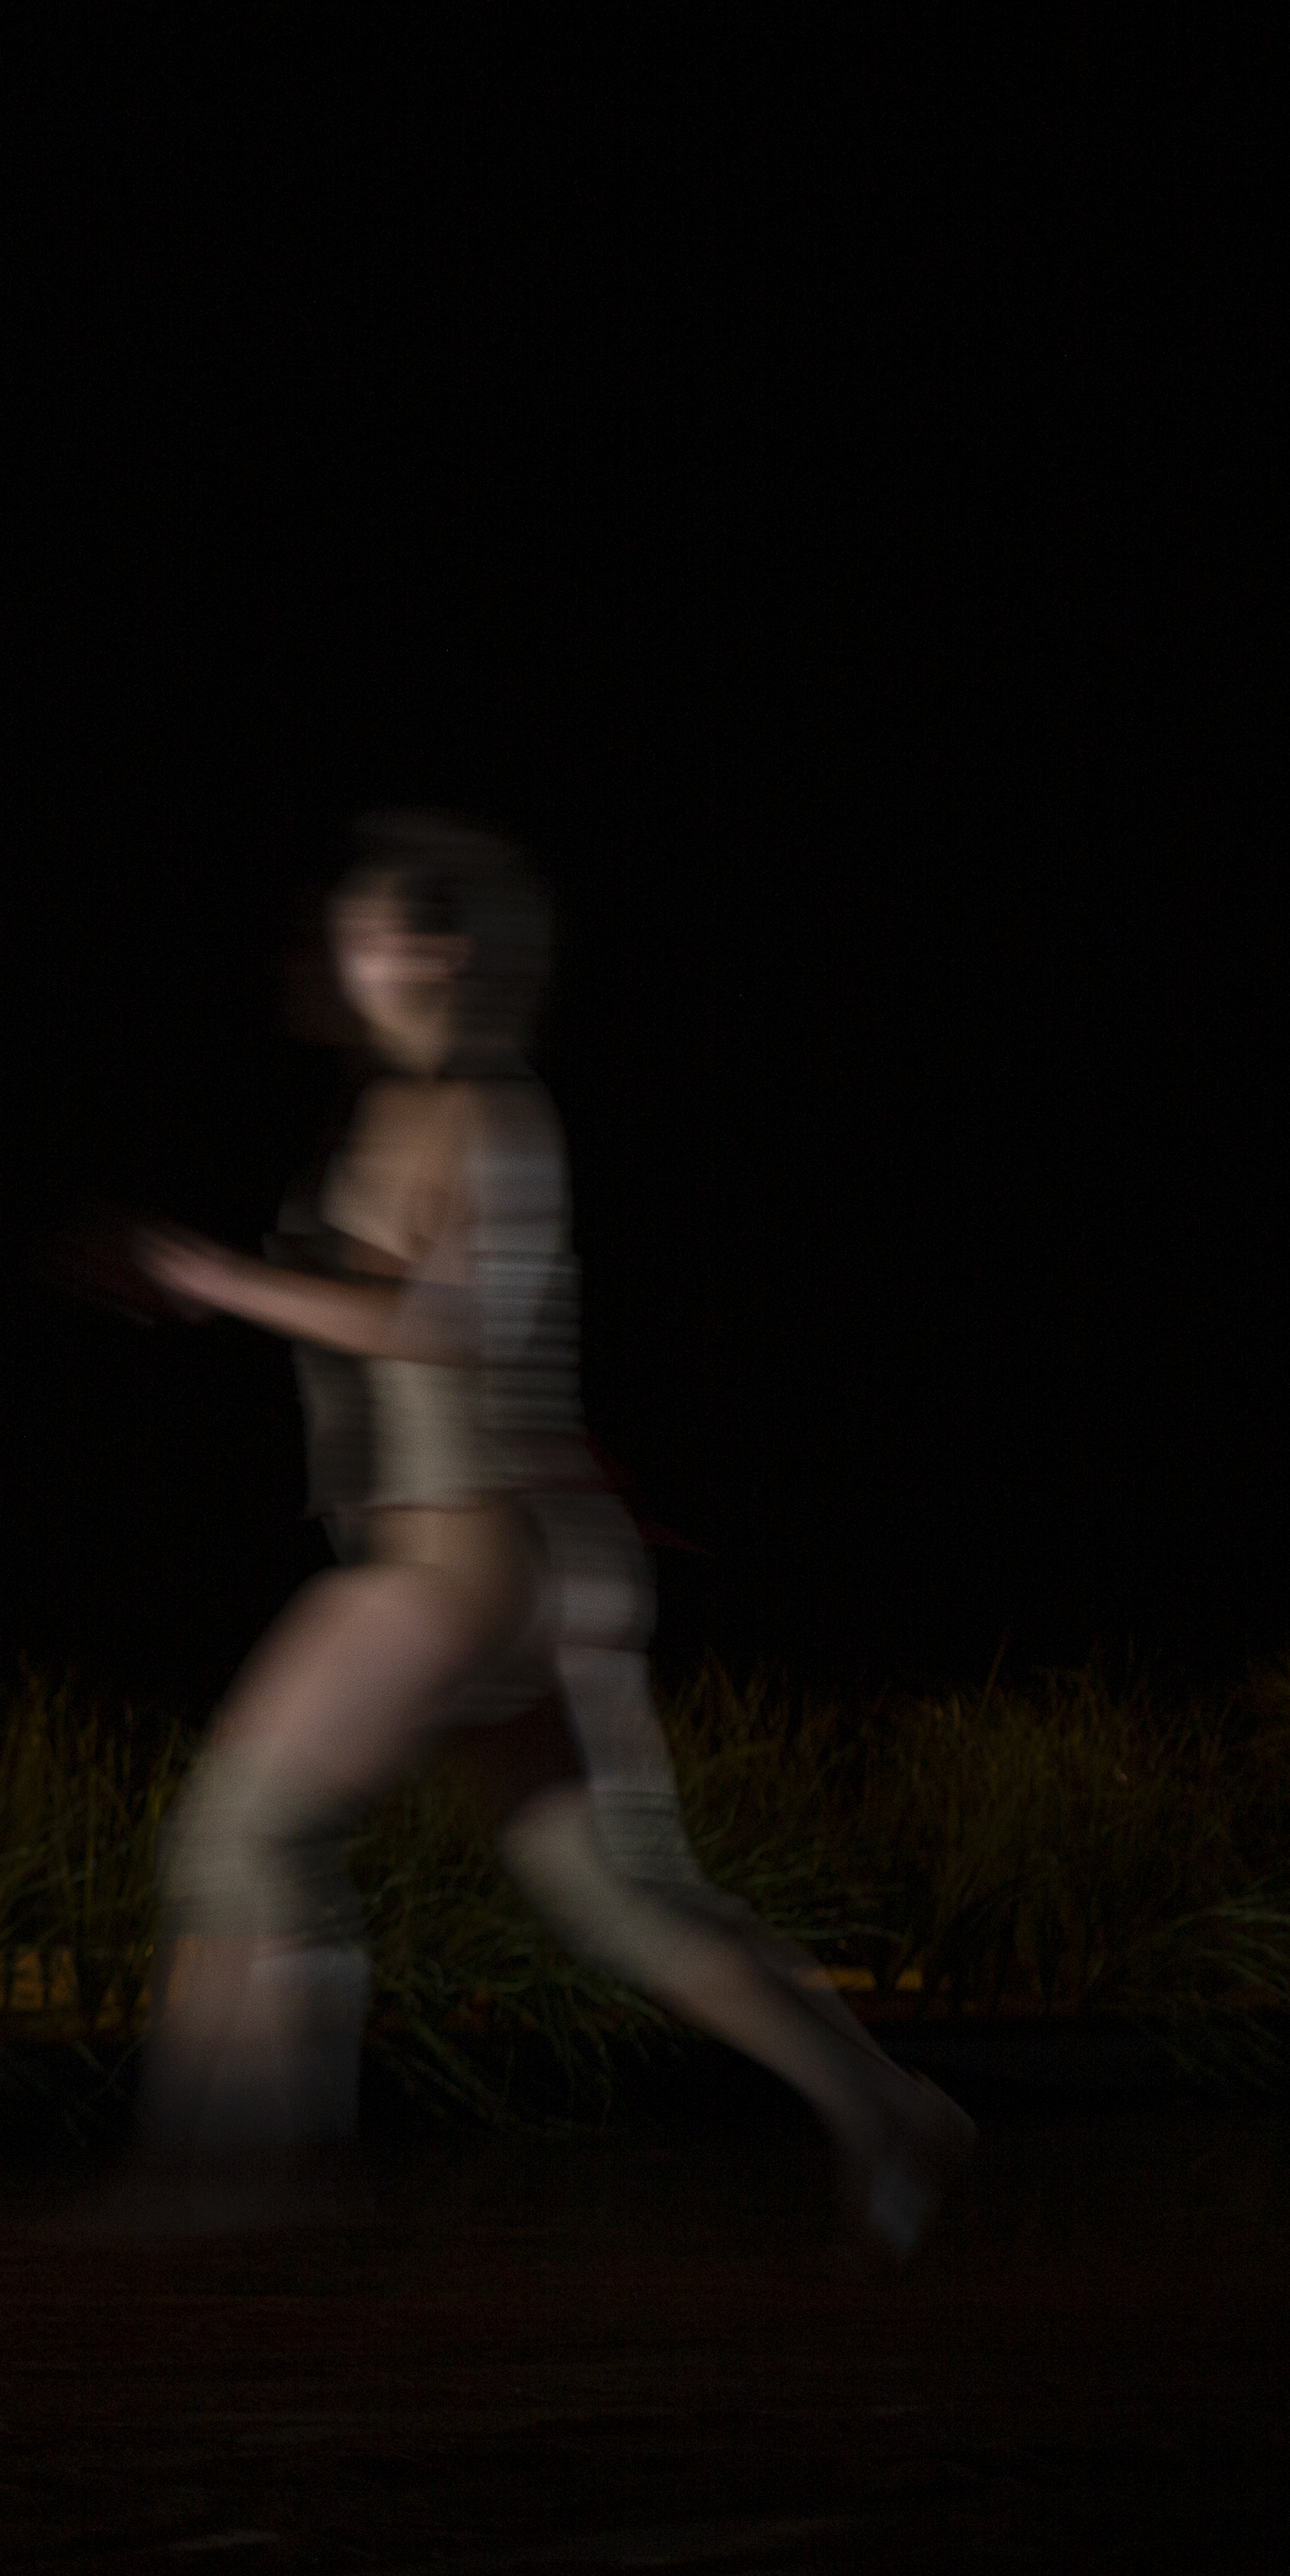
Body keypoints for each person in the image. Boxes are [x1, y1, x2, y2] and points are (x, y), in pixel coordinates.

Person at [108, 816, 971, 2254]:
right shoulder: (427, 1112)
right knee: (624, 1901)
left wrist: (222, 1283)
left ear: (449, 950)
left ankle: (250, 2183)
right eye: (351, 934)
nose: (358, 959)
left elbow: (447, 1331)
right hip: (529, 1562)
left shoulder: (469, 1111)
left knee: (238, 1832)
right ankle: (889, 2110)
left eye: (386, 933)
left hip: (459, 1559)